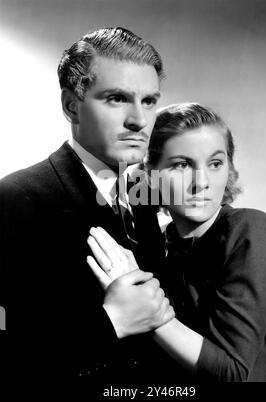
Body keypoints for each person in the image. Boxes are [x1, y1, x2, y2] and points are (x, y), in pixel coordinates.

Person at [0, 27, 176, 393]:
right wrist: (111, 320)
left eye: (149, 101)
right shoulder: (14, 199)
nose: (140, 121)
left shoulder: (145, 198)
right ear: (71, 105)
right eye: (116, 99)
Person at [87, 103, 266, 382]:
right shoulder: (164, 245)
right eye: (182, 165)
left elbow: (232, 374)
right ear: (150, 174)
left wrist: (148, 306)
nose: (201, 182)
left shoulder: (250, 229)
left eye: (215, 163)